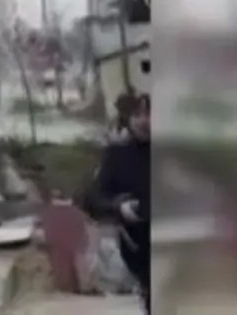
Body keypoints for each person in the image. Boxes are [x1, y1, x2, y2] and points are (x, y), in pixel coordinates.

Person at [83, 92, 151, 314]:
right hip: (141, 244)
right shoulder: (116, 154)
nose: (144, 121)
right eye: (138, 114)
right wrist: (118, 206)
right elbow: (94, 198)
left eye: (149, 114)